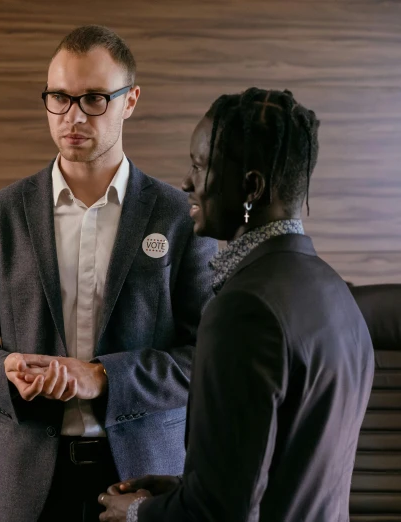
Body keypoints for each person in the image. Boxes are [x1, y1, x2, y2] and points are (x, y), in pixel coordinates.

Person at [0, 25, 216, 522]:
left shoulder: (182, 217)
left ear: (130, 100)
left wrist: (104, 378)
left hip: (144, 482)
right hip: (28, 488)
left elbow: (209, 356)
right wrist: (2, 374)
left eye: (93, 99)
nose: (72, 116)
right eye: (59, 98)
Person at [98, 88, 375, 522]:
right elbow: (286, 469)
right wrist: (182, 491)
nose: (187, 181)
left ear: (251, 187)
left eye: (200, 165)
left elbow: (218, 514)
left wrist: (138, 513)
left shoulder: (243, 309)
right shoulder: (331, 288)